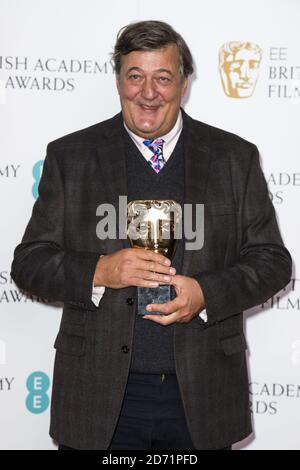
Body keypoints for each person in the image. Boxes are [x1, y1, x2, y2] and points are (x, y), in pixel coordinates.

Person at [11, 20, 291, 450]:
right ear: (119, 80)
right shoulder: (71, 156)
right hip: (97, 394)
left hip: (202, 392)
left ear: (183, 83)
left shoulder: (234, 157)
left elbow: (272, 261)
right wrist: (100, 270)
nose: (148, 92)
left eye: (163, 77)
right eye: (135, 76)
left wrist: (205, 294)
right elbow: (29, 263)